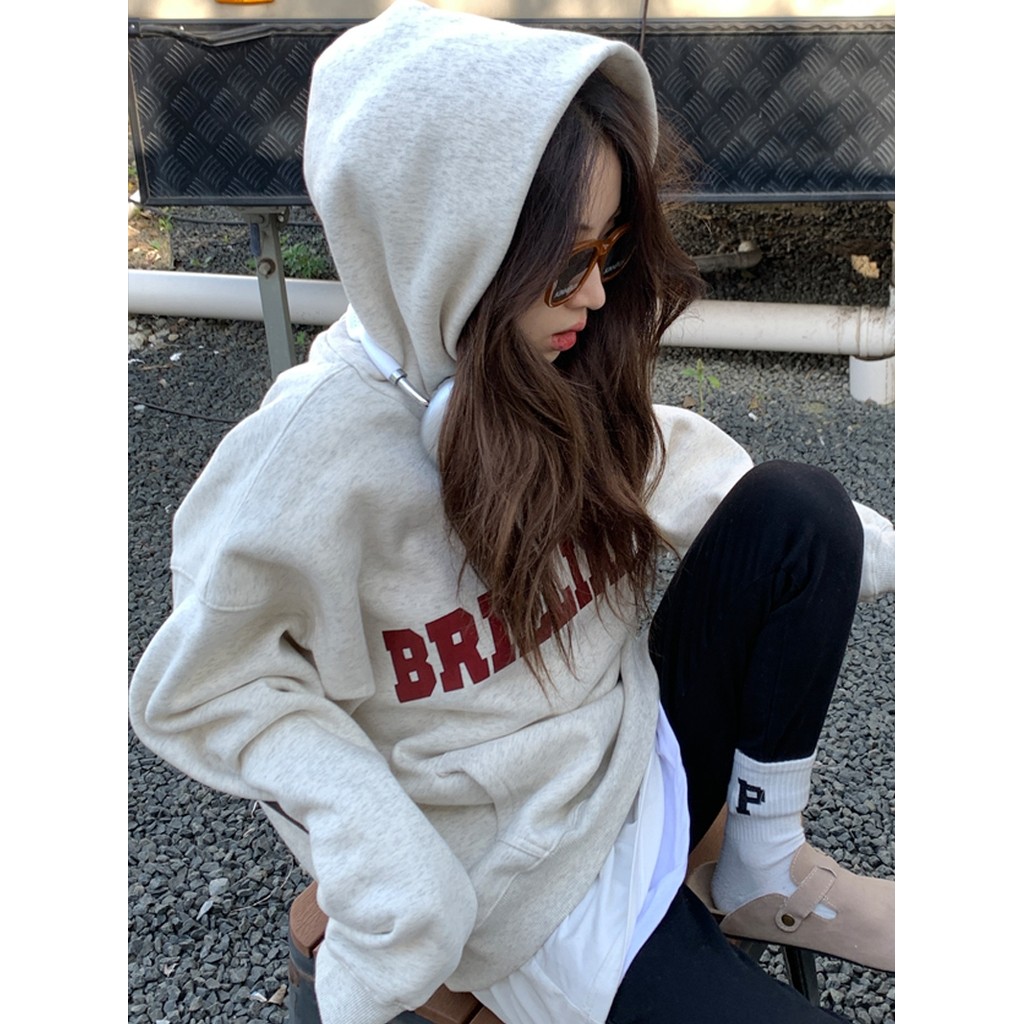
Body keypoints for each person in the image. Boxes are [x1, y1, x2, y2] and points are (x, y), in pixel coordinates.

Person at [128, 3, 896, 1022]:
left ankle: (762, 861)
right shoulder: (307, 461)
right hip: (533, 887)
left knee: (801, 510)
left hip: (634, 754)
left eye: (609, 250)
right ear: (454, 247)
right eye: (565, 263)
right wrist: (385, 865)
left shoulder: (545, 356)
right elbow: (203, 686)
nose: (596, 295)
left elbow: (665, 458)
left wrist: (848, 549)